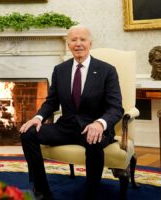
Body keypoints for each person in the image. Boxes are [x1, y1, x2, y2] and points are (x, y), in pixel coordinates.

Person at [19, 25, 124, 200]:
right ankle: (42, 190)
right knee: (28, 133)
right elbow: (51, 102)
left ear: (90, 43)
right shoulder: (60, 70)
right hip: (66, 127)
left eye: (82, 39)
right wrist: (37, 118)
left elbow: (116, 107)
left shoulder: (107, 70)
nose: (78, 44)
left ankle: (91, 193)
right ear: (68, 45)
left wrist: (100, 124)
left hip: (93, 126)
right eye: (74, 40)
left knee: (94, 141)